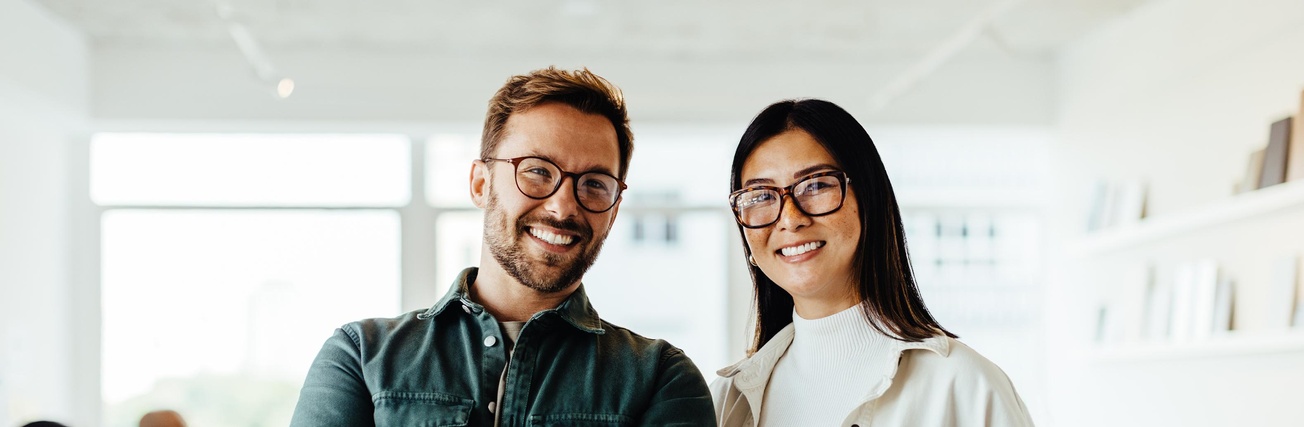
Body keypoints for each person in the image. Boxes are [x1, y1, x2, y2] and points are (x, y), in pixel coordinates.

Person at [290, 67, 716, 426]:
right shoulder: (361, 357)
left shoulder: (660, 378)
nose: (563, 206)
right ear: (480, 182)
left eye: (594, 184)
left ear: (615, 209)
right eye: (536, 171)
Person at [710, 99, 1034, 426]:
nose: (791, 219)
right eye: (761, 196)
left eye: (817, 185)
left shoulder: (965, 386)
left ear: (869, 199)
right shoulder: (724, 402)